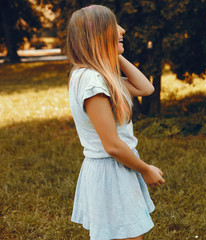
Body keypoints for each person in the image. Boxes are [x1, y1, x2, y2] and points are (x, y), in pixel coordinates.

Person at [66, 5, 165, 240]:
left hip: (116, 167)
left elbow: (145, 88)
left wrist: (115, 54)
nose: (122, 30)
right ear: (98, 36)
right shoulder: (92, 82)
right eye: (113, 27)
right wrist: (145, 169)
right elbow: (111, 144)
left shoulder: (97, 75)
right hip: (111, 171)